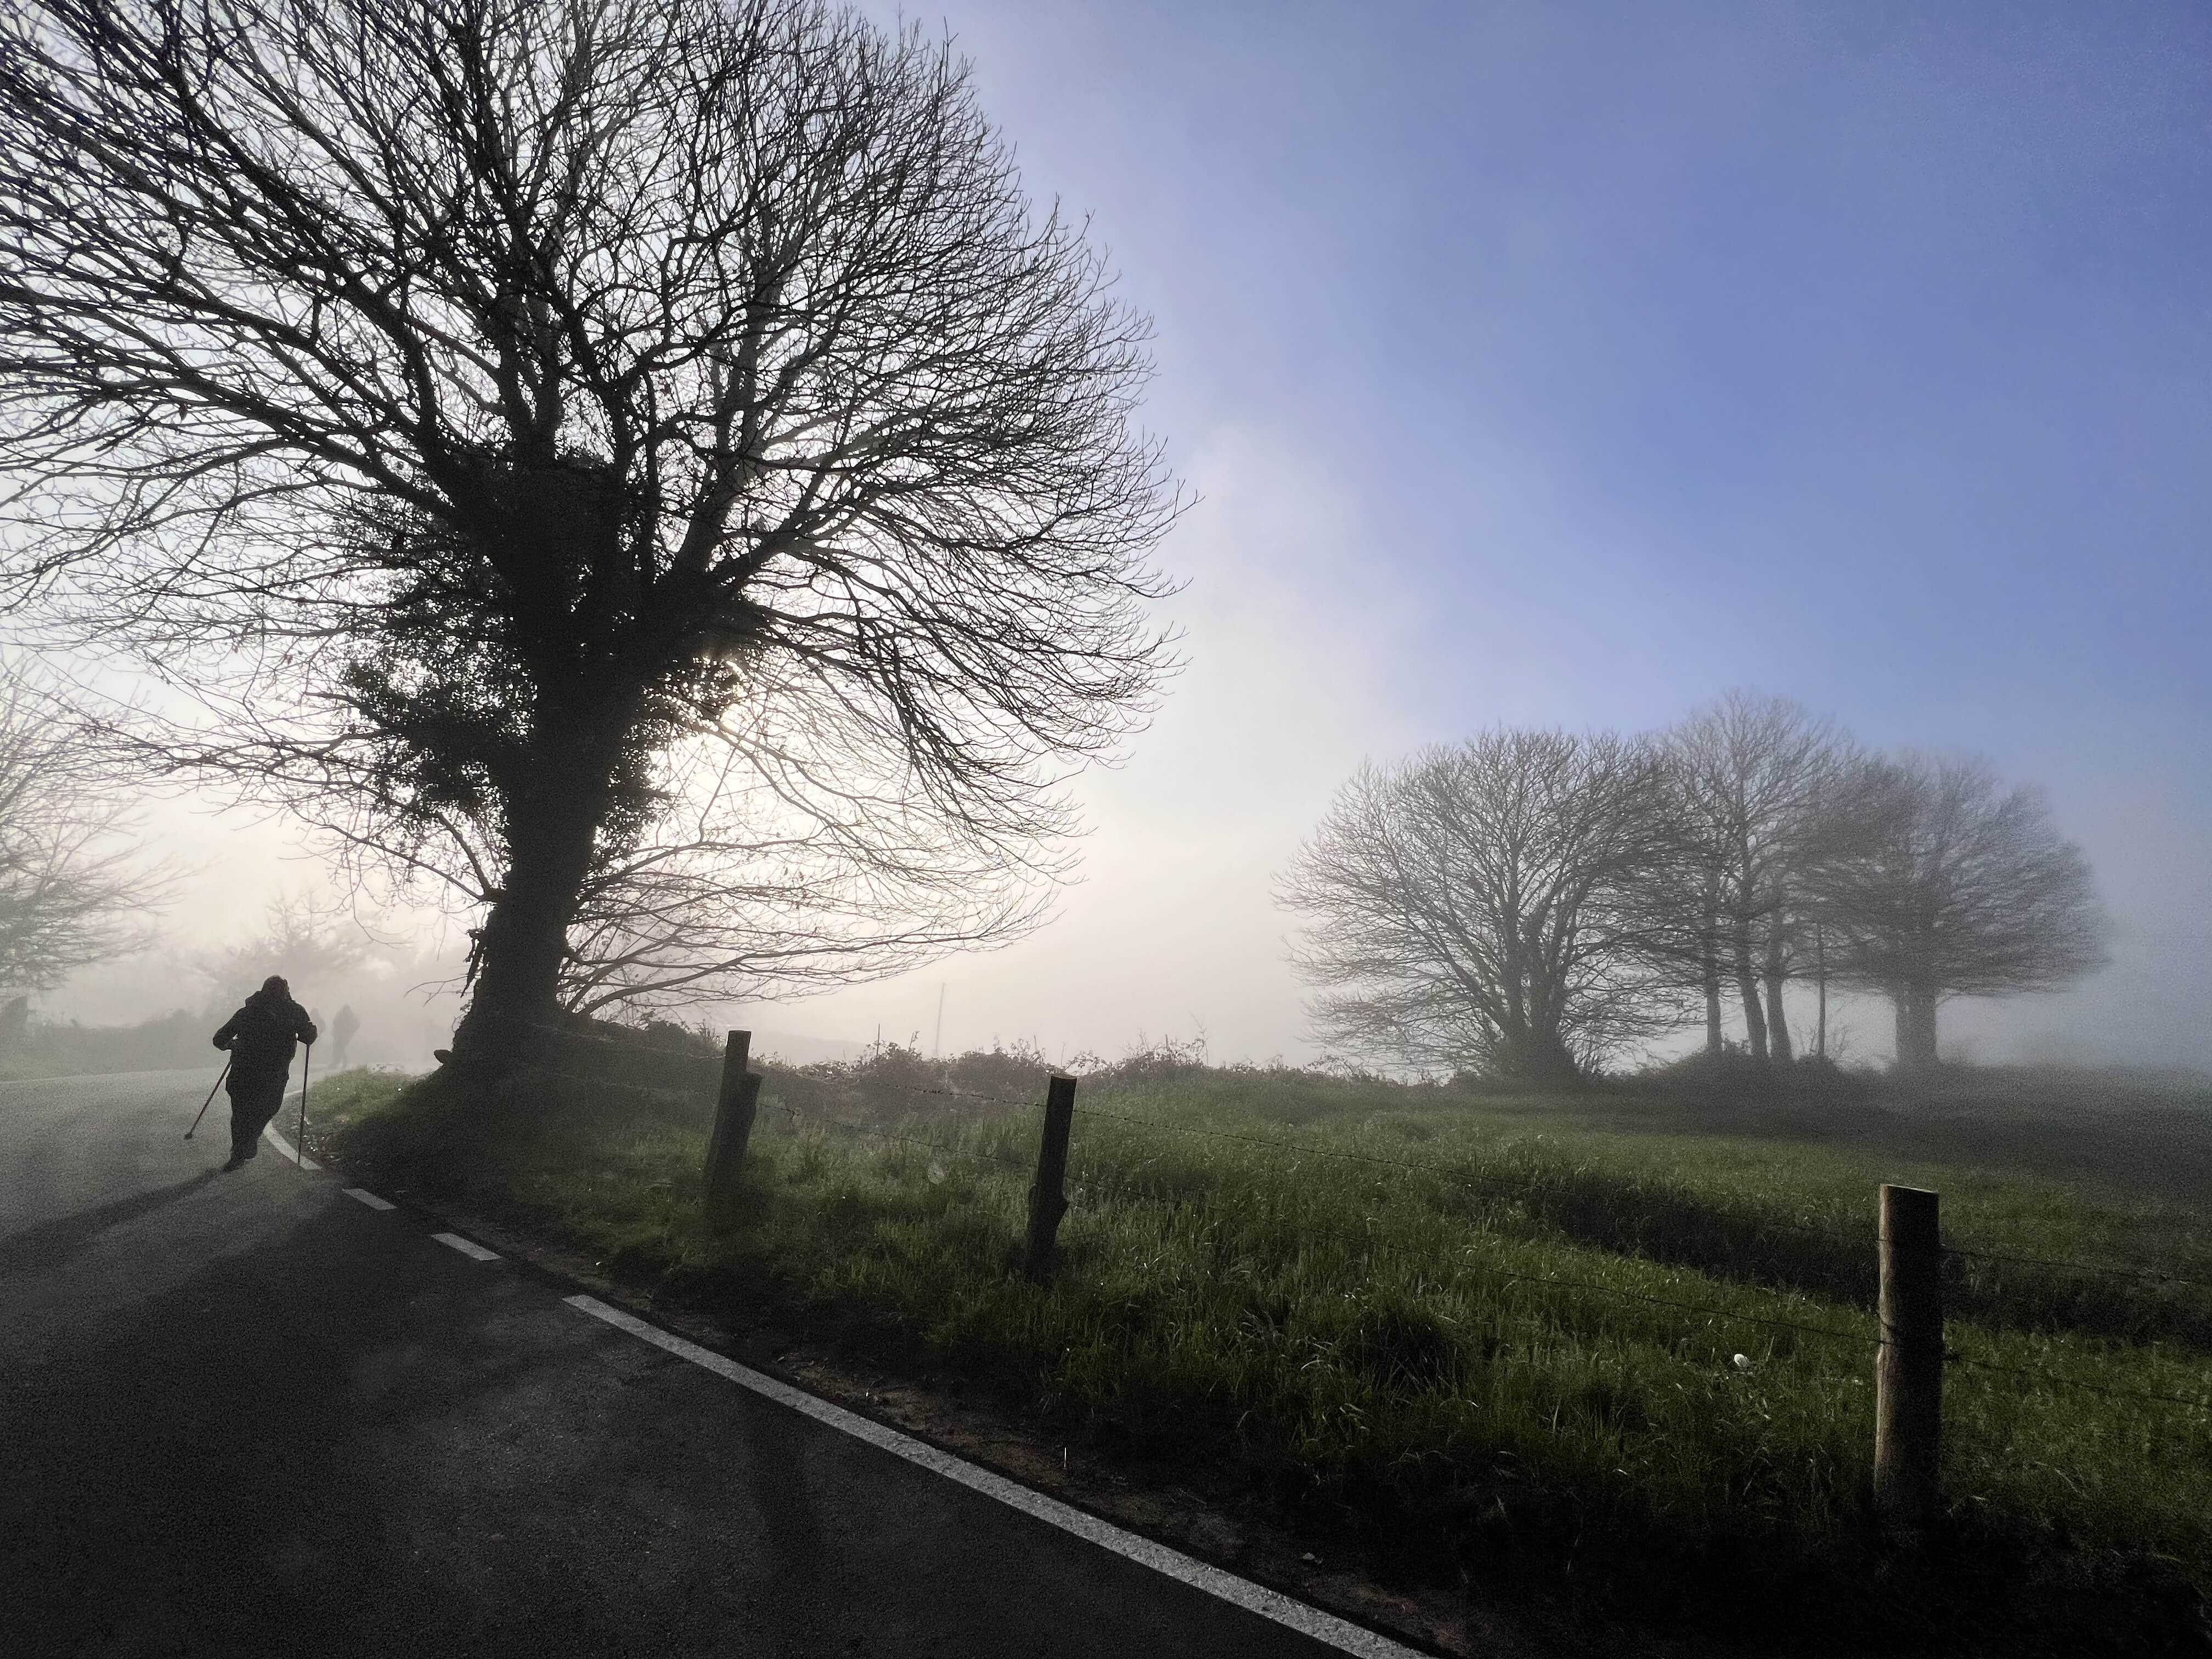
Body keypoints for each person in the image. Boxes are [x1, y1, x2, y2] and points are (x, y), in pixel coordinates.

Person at [211, 975, 317, 1172]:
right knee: (265, 1108)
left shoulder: (250, 1011)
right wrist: (310, 1033)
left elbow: (220, 1038)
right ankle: (246, 1144)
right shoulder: (292, 1011)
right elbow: (307, 1036)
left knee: (243, 1113)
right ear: (287, 991)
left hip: (247, 1070)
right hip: (272, 1071)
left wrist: (230, 1045)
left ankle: (242, 1147)